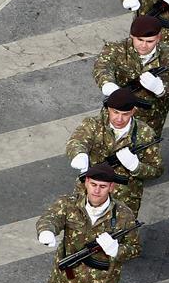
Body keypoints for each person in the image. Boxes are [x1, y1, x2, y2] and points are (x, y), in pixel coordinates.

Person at [36, 163, 141, 283]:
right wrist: (46, 231)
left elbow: (135, 249)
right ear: (86, 182)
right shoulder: (69, 204)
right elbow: (50, 218)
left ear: (111, 187)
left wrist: (117, 250)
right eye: (93, 184)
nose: (96, 191)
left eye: (102, 186)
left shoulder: (123, 215)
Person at [66, 88, 163, 216]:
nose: (119, 119)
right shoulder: (93, 124)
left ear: (133, 111)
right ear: (108, 109)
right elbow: (77, 141)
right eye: (115, 112)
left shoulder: (145, 133)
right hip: (90, 192)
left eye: (125, 114)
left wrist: (136, 167)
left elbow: (156, 170)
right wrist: (80, 154)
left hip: (124, 199)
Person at [93, 15, 169, 135]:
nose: (144, 45)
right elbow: (102, 66)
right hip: (116, 115)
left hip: (150, 121)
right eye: (140, 40)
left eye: (150, 41)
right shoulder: (116, 49)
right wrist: (108, 84)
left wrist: (162, 88)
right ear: (132, 36)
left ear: (159, 38)